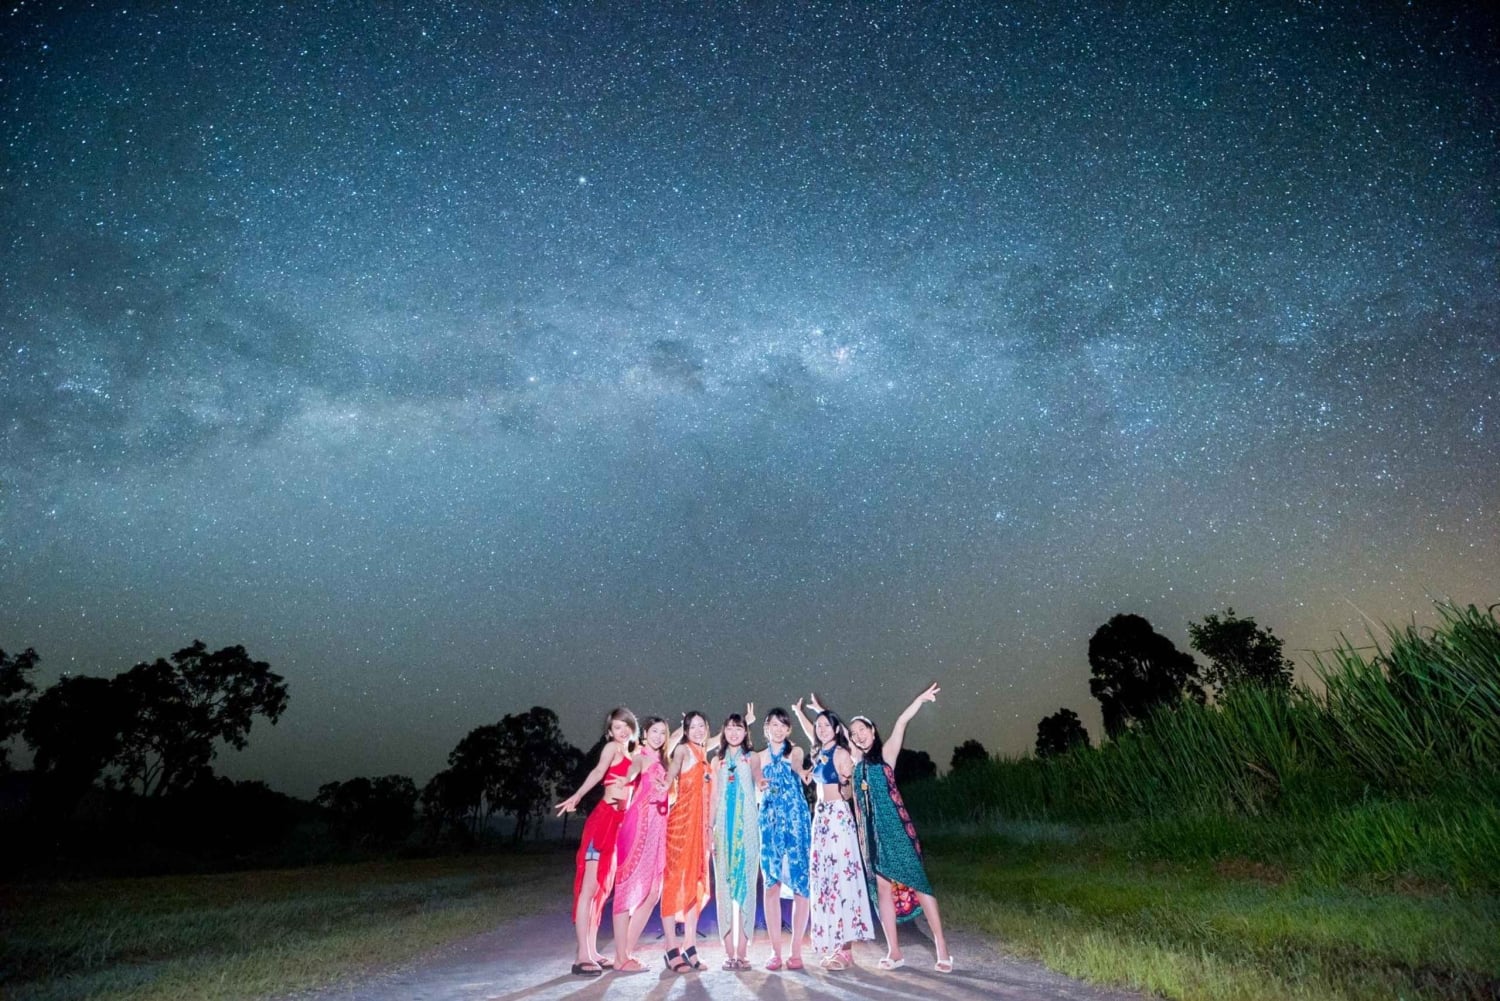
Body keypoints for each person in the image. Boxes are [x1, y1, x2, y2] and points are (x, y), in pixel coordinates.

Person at [848, 683, 954, 973]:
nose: (859, 736)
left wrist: (919, 699)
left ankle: (942, 948)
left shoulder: (886, 754)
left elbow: (901, 721)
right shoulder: (855, 765)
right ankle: (894, 952)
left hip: (897, 831)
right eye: (854, 733)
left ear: (872, 730)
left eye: (863, 730)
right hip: (872, 838)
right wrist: (820, 713)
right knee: (882, 891)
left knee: (920, 884)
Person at [791, 698, 874, 971]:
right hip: (822, 819)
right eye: (820, 726)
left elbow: (850, 792)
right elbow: (808, 730)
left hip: (838, 817)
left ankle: (845, 949)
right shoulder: (819, 754)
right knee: (826, 880)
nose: (822, 729)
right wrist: (800, 712)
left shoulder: (840, 753)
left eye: (828, 725)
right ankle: (834, 943)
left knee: (842, 877)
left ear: (837, 729)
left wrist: (847, 781)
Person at [554, 707, 637, 977]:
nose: (621, 731)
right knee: (588, 889)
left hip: (617, 826)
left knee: (601, 891)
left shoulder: (632, 752)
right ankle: (581, 956)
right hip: (601, 824)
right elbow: (598, 772)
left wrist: (683, 730)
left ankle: (592, 950)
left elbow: (661, 748)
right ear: (610, 732)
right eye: (616, 727)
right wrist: (577, 796)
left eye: (625, 726)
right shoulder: (612, 748)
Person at [608, 716, 672, 972]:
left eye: (662, 733)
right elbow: (633, 769)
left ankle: (626, 953)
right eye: (654, 731)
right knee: (626, 891)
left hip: (658, 831)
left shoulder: (662, 760)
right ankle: (620, 959)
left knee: (652, 894)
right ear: (645, 733)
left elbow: (693, 737)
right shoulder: (641, 756)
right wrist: (626, 778)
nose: (658, 736)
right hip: (638, 828)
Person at [756, 706, 812, 971]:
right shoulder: (757, 757)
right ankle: (775, 952)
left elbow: (799, 765)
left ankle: (796, 951)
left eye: (782, 725)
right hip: (769, 824)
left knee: (801, 883)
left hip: (796, 822)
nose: (778, 730)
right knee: (771, 885)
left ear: (789, 729)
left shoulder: (795, 751)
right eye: (773, 725)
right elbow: (755, 777)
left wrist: (800, 772)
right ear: (765, 728)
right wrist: (758, 781)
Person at [659, 710, 713, 973]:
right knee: (672, 884)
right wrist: (666, 781)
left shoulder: (704, 752)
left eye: (701, 726)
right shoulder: (683, 750)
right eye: (692, 726)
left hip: (699, 831)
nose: (698, 730)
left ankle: (690, 946)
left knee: (695, 885)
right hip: (680, 827)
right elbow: (672, 771)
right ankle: (671, 948)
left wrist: (744, 726)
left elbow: (720, 741)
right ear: (685, 730)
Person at [710, 712, 763, 970]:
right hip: (723, 831)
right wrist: (709, 827)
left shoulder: (751, 757)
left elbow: (756, 773)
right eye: (729, 728)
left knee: (747, 888)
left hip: (748, 830)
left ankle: (743, 952)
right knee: (724, 889)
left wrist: (762, 781)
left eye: (738, 728)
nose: (733, 732)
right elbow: (713, 796)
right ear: (723, 732)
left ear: (745, 732)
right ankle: (728, 952)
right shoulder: (716, 761)